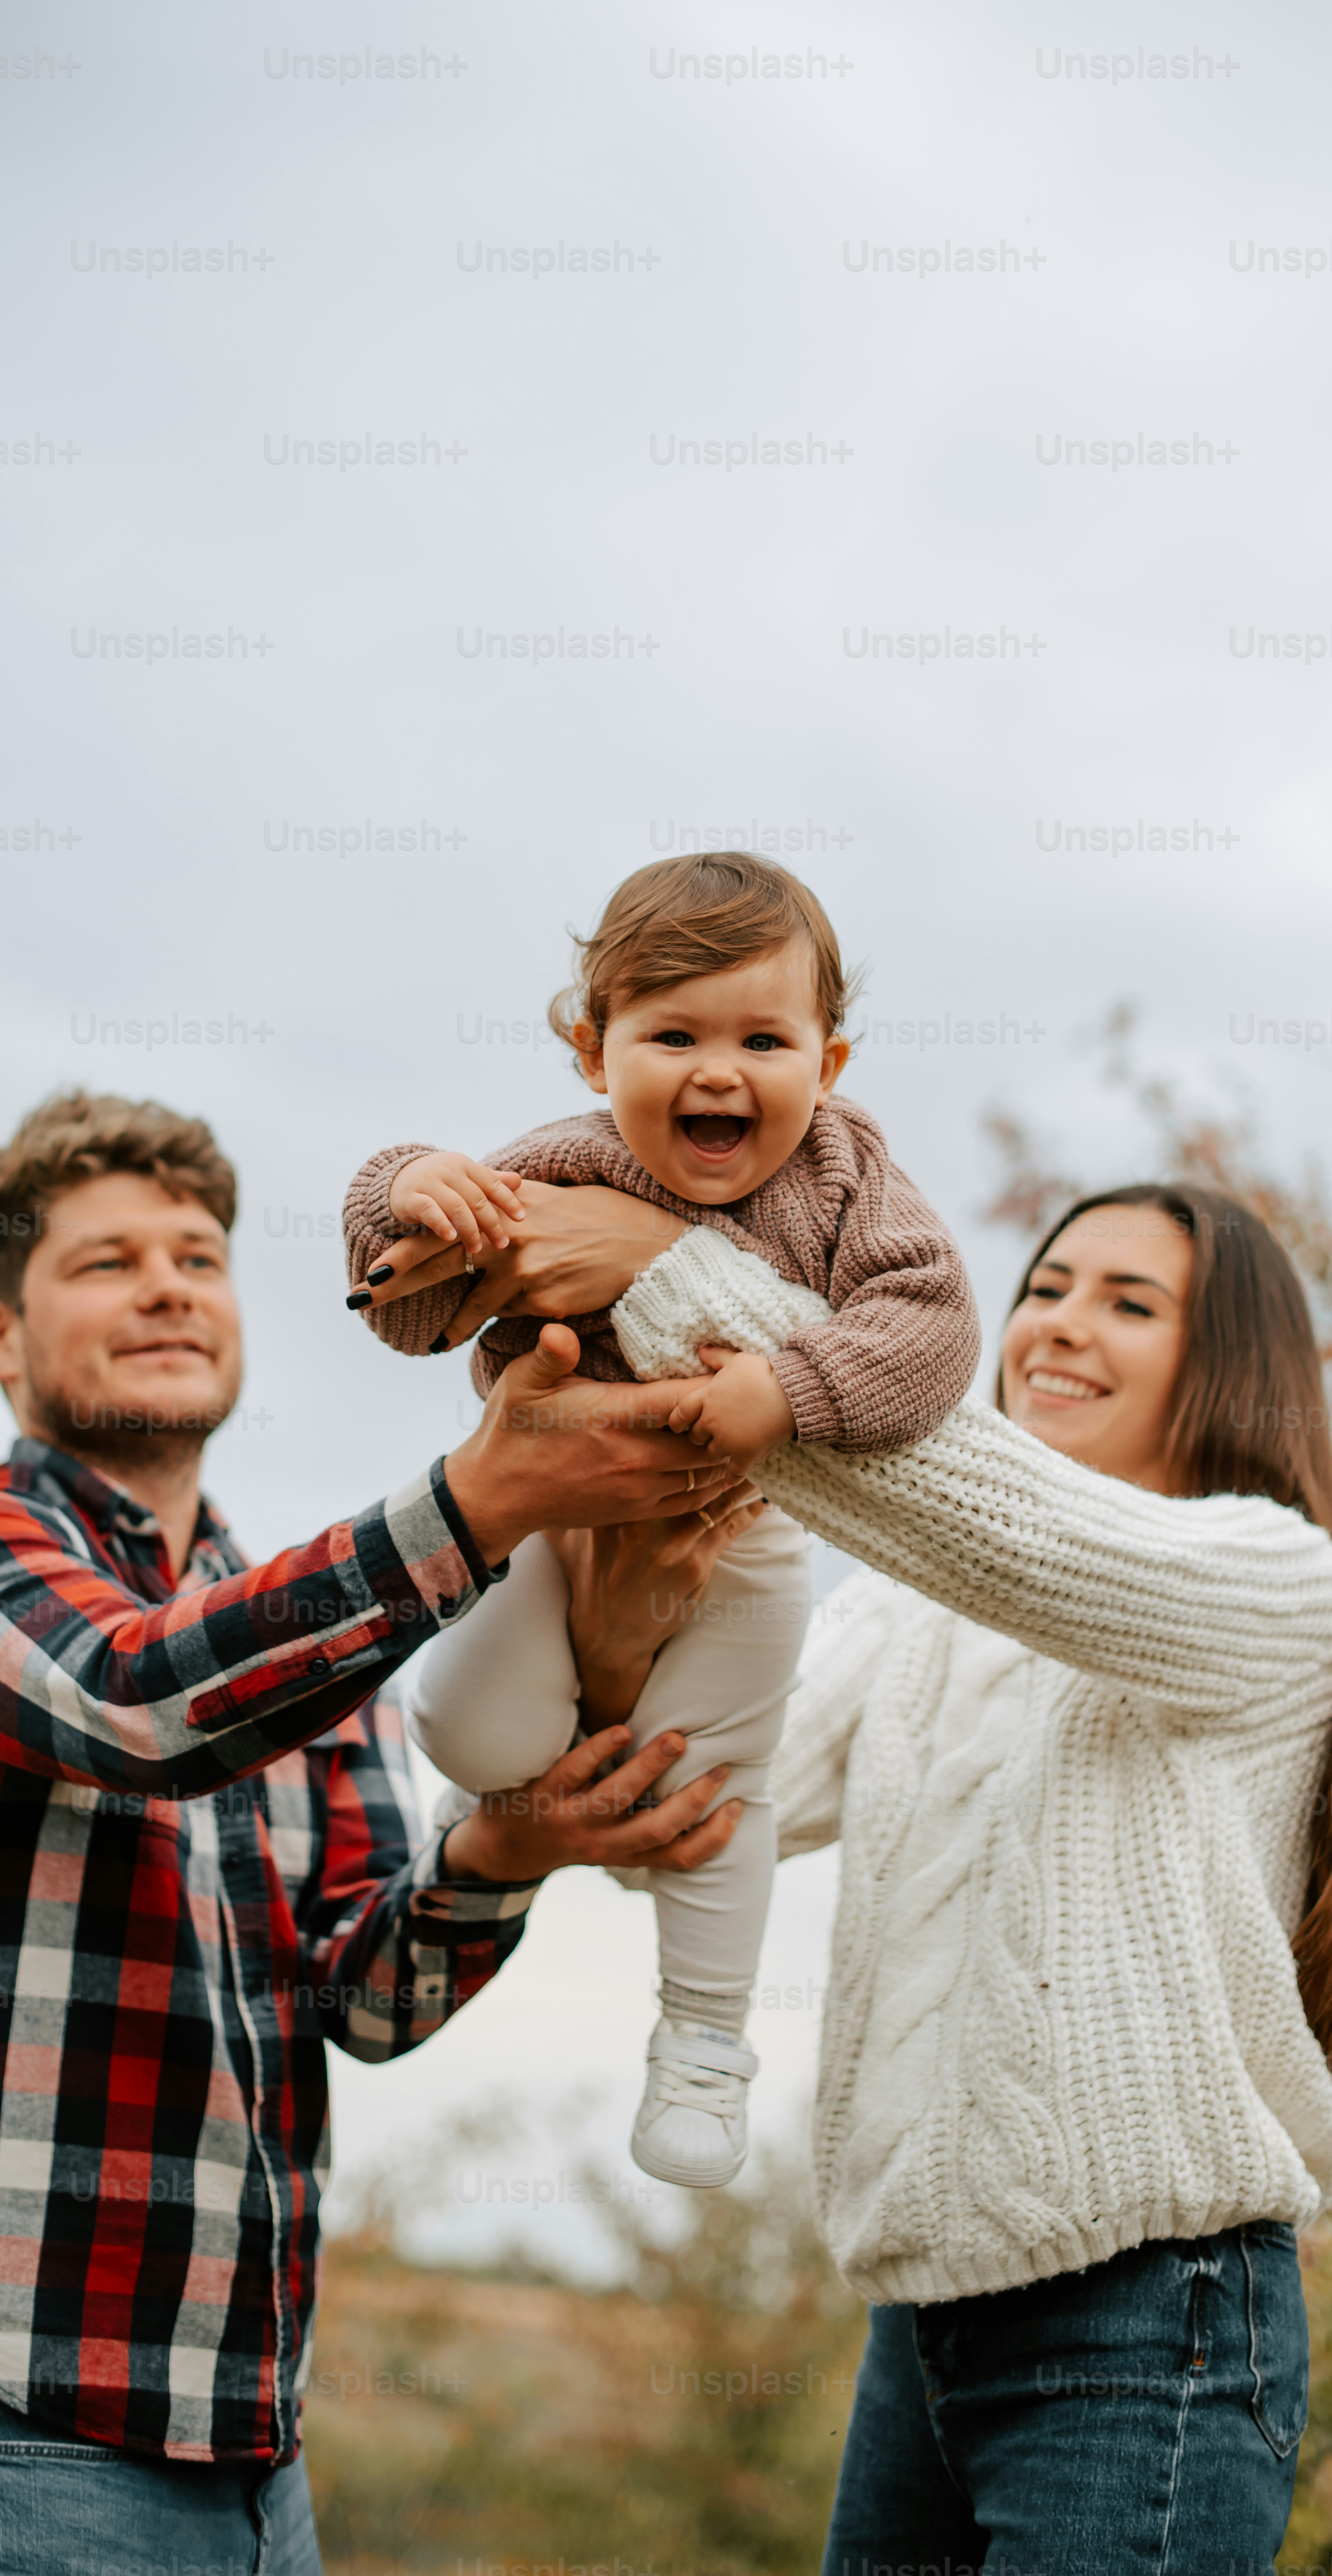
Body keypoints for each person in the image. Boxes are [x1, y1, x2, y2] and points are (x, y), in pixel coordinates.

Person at [358, 1176, 1332, 2566]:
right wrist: (613, 1634)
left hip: (1153, 2323)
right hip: (919, 2330)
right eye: (1048, 1288)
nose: (1059, 1327)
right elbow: (696, 1815)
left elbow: (979, 1506)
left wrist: (673, 1267)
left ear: (1231, 1368)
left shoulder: (1275, 1582)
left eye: (1130, 1305)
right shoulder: (907, 1620)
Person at [0, 1088, 755, 2576]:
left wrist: (504, 1853)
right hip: (1, 2416)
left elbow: (360, 1999)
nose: (169, 1283)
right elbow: (138, 1701)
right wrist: (487, 1496)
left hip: (257, 2456)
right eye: (105, 1261)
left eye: (197, 1254)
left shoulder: (319, 1634)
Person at [341, 853, 979, 2187]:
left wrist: (790, 1388)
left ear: (832, 1057)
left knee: (714, 1794)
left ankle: (703, 2041)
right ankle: (540, 1768)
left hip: (741, 1541)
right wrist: (406, 1186)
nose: (718, 1072)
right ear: (593, 1051)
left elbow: (932, 1335)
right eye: (671, 1034)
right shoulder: (561, 1166)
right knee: (470, 1725)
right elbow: (406, 1312)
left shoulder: (852, 1178)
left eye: (764, 1038)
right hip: (552, 1523)